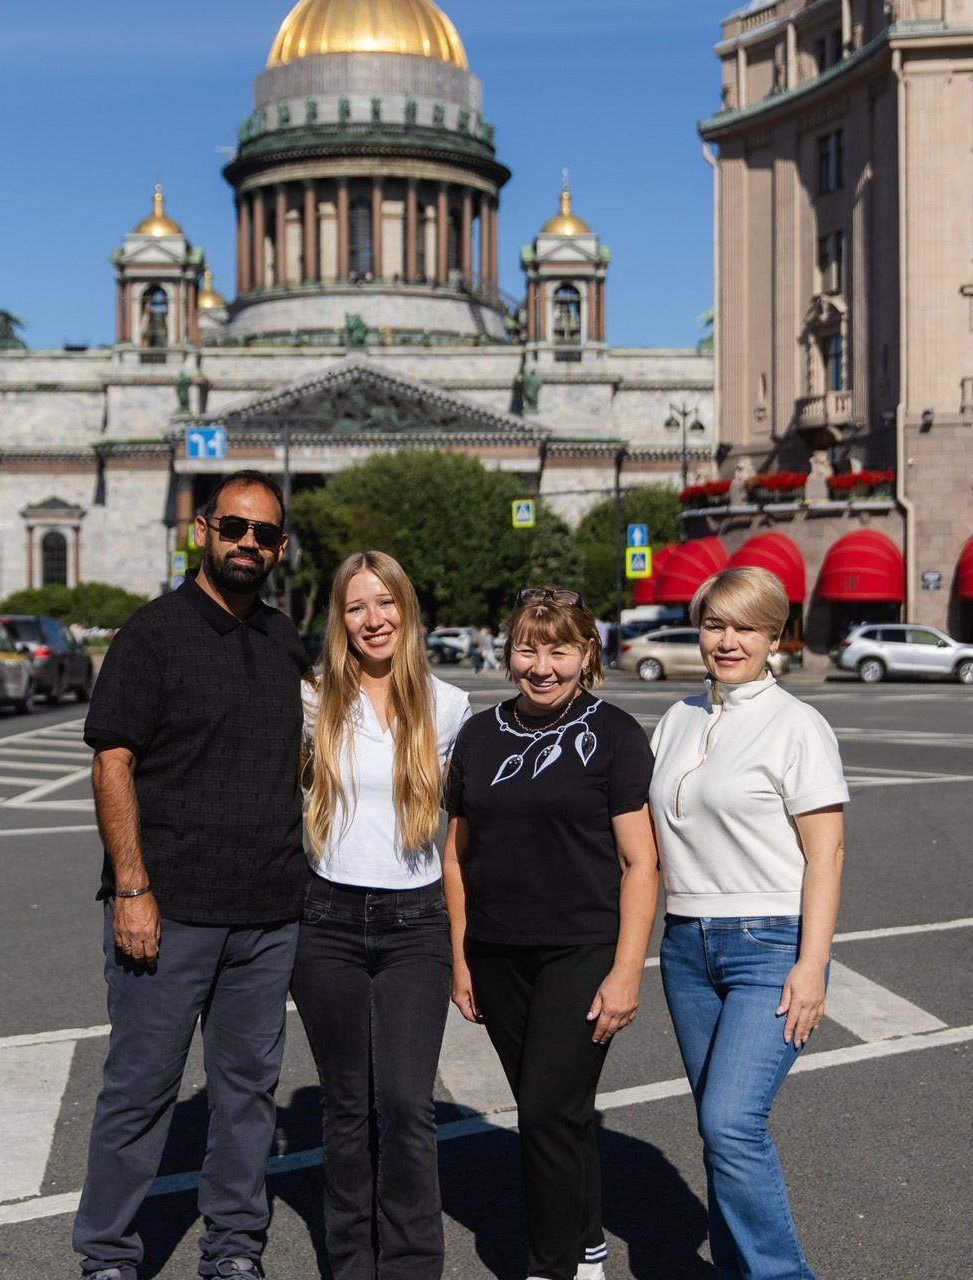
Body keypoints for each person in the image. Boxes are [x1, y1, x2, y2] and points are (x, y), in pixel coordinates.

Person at [73, 469, 308, 1280]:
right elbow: (113, 763)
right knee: (140, 1092)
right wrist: (132, 890)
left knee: (248, 1094)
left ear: (280, 547)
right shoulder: (153, 632)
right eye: (235, 527)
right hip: (168, 913)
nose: (249, 543)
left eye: (266, 534)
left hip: (269, 914)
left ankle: (234, 1248)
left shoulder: (284, 640)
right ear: (203, 530)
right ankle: (107, 1255)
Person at [443, 587, 660, 1280]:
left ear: (586, 654)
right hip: (498, 952)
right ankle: (589, 1245)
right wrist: (460, 957)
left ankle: (550, 1268)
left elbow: (640, 861)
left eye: (559, 649)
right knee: (561, 1115)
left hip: (582, 950)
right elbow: (456, 854)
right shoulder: (479, 735)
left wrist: (627, 971)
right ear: (508, 654)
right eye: (528, 648)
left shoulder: (617, 734)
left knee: (540, 1114)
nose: (542, 666)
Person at [648, 566, 848, 1280]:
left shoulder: (799, 726)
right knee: (718, 1134)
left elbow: (826, 855)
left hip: (769, 944)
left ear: (774, 637)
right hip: (683, 944)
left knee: (731, 1123)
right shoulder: (679, 718)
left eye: (745, 627)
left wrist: (811, 965)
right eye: (713, 624)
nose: (727, 640)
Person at [291, 551, 470, 1280]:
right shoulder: (310, 703)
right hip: (325, 918)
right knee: (345, 1108)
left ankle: (411, 1266)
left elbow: (468, 836)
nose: (374, 619)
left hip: (416, 924)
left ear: (407, 609)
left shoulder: (449, 705)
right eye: (357, 607)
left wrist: (468, 945)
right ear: (340, 620)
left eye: (386, 603)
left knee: (405, 1104)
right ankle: (351, 1266)